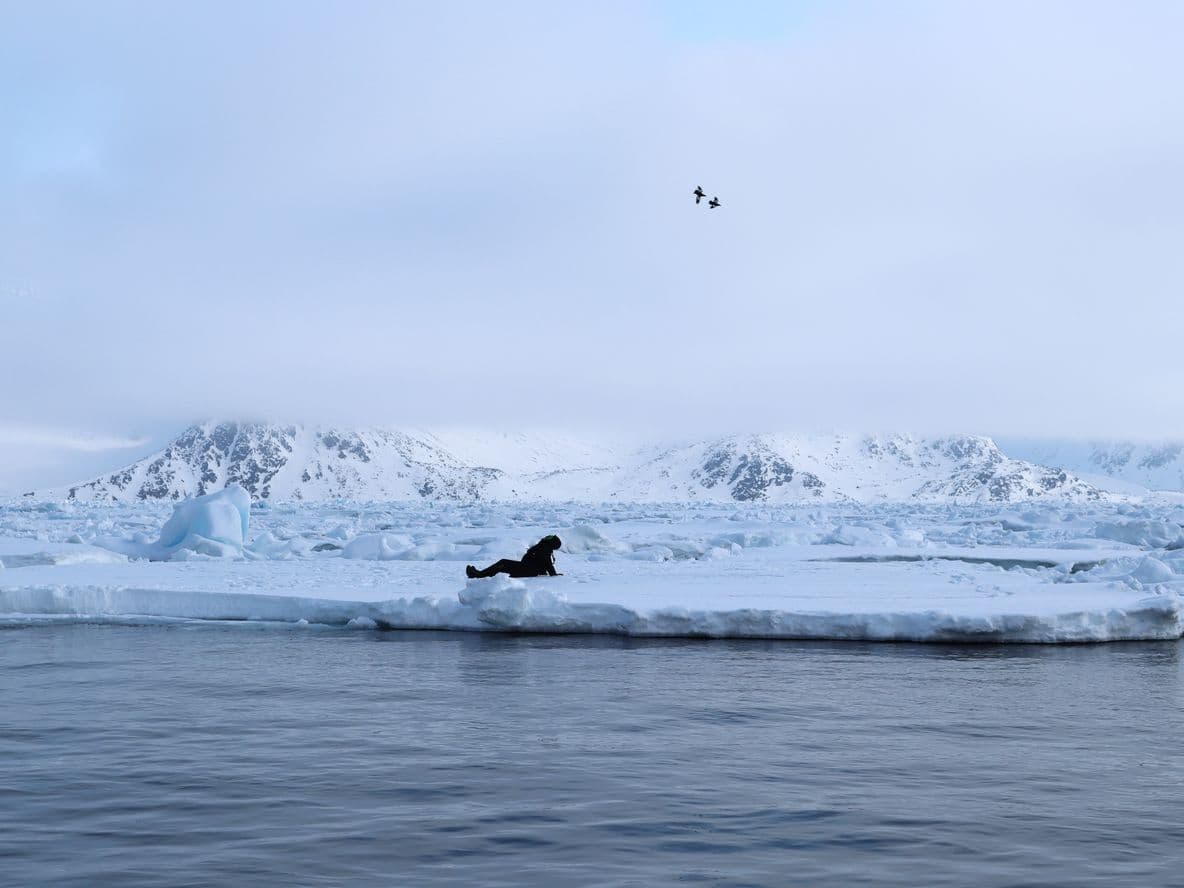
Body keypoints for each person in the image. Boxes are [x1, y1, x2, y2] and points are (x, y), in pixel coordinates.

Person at [466, 535, 563, 579]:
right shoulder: (543, 546)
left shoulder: (544, 548)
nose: (547, 537)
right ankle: (480, 574)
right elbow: (546, 562)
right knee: (503, 564)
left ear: (551, 542)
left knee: (503, 563)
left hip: (528, 570)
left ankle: (479, 575)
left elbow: (547, 563)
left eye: (550, 537)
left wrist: (553, 574)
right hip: (527, 568)